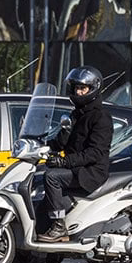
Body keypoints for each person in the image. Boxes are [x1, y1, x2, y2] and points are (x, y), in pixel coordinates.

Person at [37, 66, 113, 243]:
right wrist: (41, 145)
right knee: (41, 211)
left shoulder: (100, 117)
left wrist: (64, 162)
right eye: (76, 88)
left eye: (82, 88)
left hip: (90, 172)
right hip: (75, 169)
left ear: (93, 88)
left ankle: (59, 226)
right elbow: (61, 143)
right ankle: (37, 262)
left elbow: (95, 153)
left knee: (52, 177)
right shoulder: (76, 114)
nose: (78, 92)